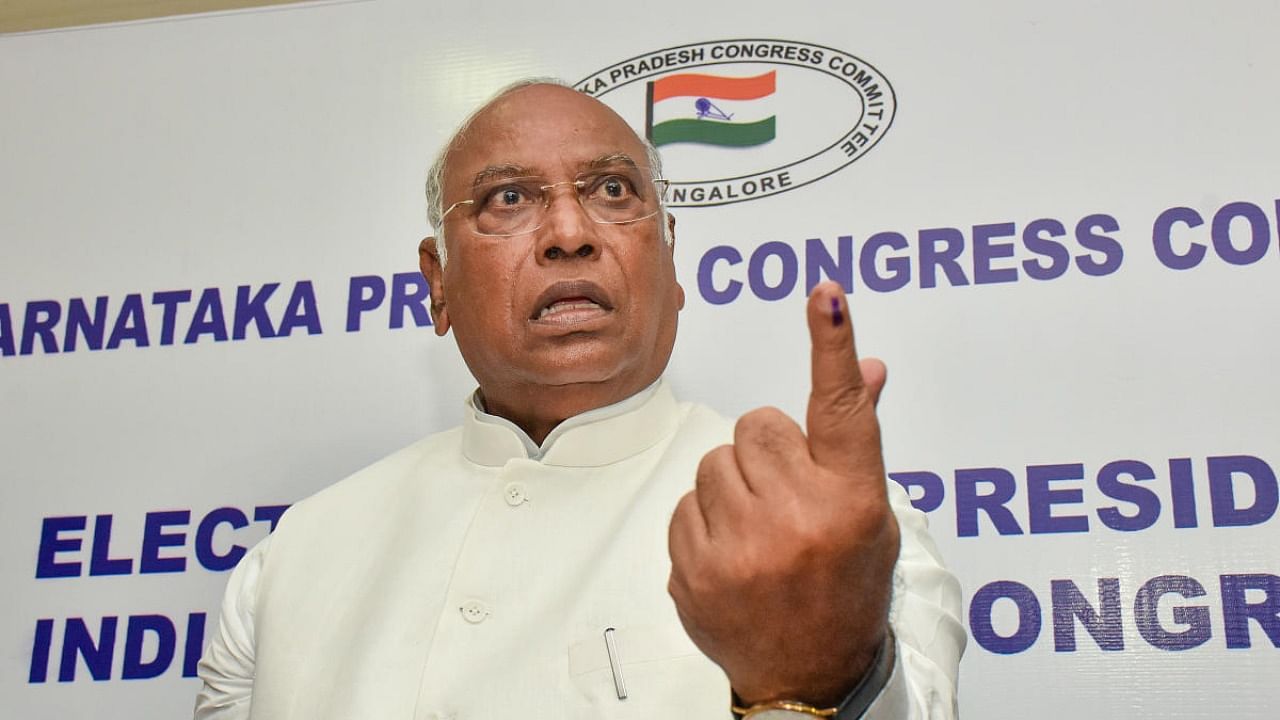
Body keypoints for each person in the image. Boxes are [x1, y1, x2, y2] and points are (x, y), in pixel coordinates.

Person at [195, 78, 965, 720]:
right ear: (437, 285)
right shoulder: (294, 558)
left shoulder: (829, 533)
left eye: (611, 189)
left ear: (671, 260)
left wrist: (822, 678)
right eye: (507, 199)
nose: (569, 231)